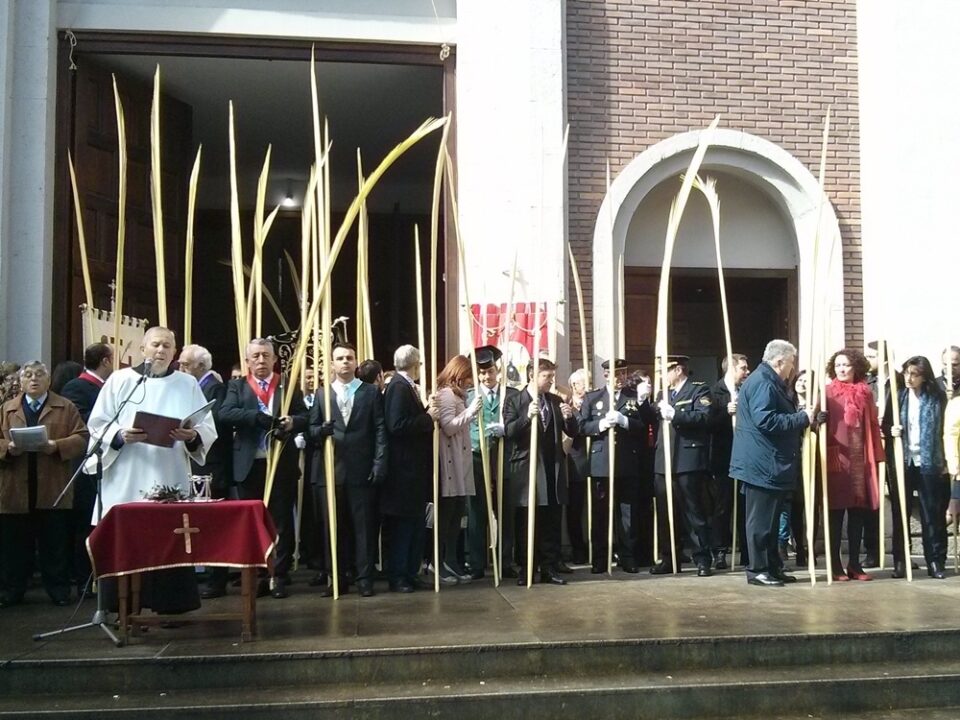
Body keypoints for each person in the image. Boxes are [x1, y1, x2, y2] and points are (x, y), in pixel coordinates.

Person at [86, 327, 217, 613]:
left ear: (174, 352)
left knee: (167, 539)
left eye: (167, 346)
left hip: (168, 472)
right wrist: (120, 435)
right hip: (126, 475)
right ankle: (121, 607)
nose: (161, 350)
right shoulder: (121, 381)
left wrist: (192, 436)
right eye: (156, 344)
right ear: (142, 348)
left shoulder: (187, 384)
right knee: (128, 541)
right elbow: (97, 425)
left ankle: (170, 606)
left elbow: (206, 427)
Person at [220, 338, 308, 599]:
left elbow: (305, 416)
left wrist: (292, 422)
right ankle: (257, 574)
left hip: (280, 461)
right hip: (250, 463)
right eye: (255, 356)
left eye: (265, 356)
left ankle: (278, 575)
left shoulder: (287, 385)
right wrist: (255, 418)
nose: (260, 360)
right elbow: (225, 414)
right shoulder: (237, 386)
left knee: (280, 521)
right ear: (247, 361)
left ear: (274, 359)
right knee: (253, 522)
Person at [0, 362, 88, 607]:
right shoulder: (7, 409)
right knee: (14, 545)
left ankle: (58, 590)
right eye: (28, 375)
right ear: (21, 382)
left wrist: (56, 446)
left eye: (39, 375)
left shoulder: (65, 406)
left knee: (54, 544)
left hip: (52, 486)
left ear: (49, 381)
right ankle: (11, 590)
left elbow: (81, 437)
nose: (34, 379)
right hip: (15, 487)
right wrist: (8, 448)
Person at [729, 340, 814, 587]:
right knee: (761, 521)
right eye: (791, 363)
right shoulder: (763, 383)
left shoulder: (769, 381)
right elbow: (766, 420)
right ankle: (758, 569)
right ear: (779, 362)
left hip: (771, 464)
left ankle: (772, 566)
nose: (792, 368)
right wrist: (801, 418)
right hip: (762, 464)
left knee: (773, 520)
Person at [308, 342, 387, 598]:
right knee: (333, 528)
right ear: (331, 363)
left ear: (355, 362)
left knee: (363, 528)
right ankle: (338, 578)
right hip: (330, 472)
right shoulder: (322, 395)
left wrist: (379, 462)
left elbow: (380, 430)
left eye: (349, 358)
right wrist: (321, 431)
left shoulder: (369, 392)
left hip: (361, 469)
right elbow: (311, 430)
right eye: (340, 358)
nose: (345, 362)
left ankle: (365, 578)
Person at [503, 357, 579, 585]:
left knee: (550, 522)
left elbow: (573, 431)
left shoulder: (555, 401)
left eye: (552, 376)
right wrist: (527, 418)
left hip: (551, 468)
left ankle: (549, 568)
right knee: (527, 523)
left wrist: (569, 417)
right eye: (547, 377)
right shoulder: (515, 400)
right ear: (532, 375)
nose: (551, 381)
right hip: (527, 471)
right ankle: (527, 569)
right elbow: (508, 431)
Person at [579, 358, 652, 574]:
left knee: (627, 513)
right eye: (616, 374)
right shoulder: (593, 398)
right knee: (600, 514)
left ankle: (627, 557)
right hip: (602, 464)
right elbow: (582, 426)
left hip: (627, 462)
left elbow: (643, 424)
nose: (620, 378)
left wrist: (624, 421)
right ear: (607, 375)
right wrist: (601, 424)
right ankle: (600, 559)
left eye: (623, 373)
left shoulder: (632, 398)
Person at [380, 345, 438, 591]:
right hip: (403, 471)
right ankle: (398, 575)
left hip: (412, 471)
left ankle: (410, 572)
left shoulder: (406, 387)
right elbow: (396, 425)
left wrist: (426, 411)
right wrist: (428, 418)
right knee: (403, 526)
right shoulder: (398, 388)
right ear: (415, 364)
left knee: (414, 523)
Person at [651, 355, 716, 576]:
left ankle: (702, 559)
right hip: (664, 461)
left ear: (678, 370)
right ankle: (669, 558)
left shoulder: (699, 390)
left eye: (665, 371)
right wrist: (643, 402)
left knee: (693, 512)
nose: (661, 375)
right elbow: (650, 419)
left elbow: (704, 417)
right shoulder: (663, 394)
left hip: (688, 460)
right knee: (666, 513)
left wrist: (677, 414)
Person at [823, 348, 884, 582]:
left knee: (858, 514)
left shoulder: (866, 392)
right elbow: (816, 422)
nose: (841, 368)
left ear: (855, 367)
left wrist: (877, 455)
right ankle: (835, 564)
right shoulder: (827, 392)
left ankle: (855, 563)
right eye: (838, 365)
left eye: (846, 364)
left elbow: (872, 423)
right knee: (835, 514)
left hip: (860, 460)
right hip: (837, 458)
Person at [178, 344, 234, 599]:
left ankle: (216, 579)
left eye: (185, 364)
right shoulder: (193, 387)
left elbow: (216, 427)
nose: (180, 368)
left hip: (210, 465)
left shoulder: (214, 389)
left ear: (201, 366)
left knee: (212, 524)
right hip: (196, 463)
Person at [887, 356, 949, 579]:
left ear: (924, 376)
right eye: (906, 373)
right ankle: (901, 560)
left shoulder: (936, 397)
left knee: (931, 512)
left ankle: (935, 560)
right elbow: (885, 423)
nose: (909, 378)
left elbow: (945, 427)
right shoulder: (898, 397)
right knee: (900, 511)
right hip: (904, 461)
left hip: (929, 461)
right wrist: (892, 430)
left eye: (914, 374)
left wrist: (947, 462)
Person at [59, 342, 113, 596]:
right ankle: (84, 578)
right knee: (86, 522)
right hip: (86, 465)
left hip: (107, 462)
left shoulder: (106, 387)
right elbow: (82, 421)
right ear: (105, 361)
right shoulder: (77, 387)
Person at [465, 346, 511, 580]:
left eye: (490, 371)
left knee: (504, 510)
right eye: (482, 373)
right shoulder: (469, 396)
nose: (486, 377)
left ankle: (505, 560)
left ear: (497, 370)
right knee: (477, 512)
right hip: (477, 457)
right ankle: (476, 562)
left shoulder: (508, 394)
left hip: (503, 458)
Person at [434, 355, 481, 584]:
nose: (471, 381)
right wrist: (470, 412)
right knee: (447, 516)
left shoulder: (457, 396)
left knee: (456, 517)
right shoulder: (446, 395)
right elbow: (449, 427)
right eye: (469, 376)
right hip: (450, 460)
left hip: (461, 461)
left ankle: (451, 559)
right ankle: (439, 559)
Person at [708, 353, 750, 569]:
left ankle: (746, 552)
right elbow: (708, 424)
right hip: (724, 457)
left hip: (745, 457)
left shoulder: (747, 390)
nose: (747, 371)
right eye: (743, 368)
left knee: (745, 505)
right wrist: (726, 412)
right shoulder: (714, 392)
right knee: (723, 506)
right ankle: (720, 551)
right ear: (731, 369)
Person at [563, 368, 590, 565]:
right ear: (574, 386)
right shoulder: (566, 406)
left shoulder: (597, 402)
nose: (588, 386)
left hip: (596, 462)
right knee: (575, 511)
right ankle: (578, 548)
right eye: (584, 383)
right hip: (575, 465)